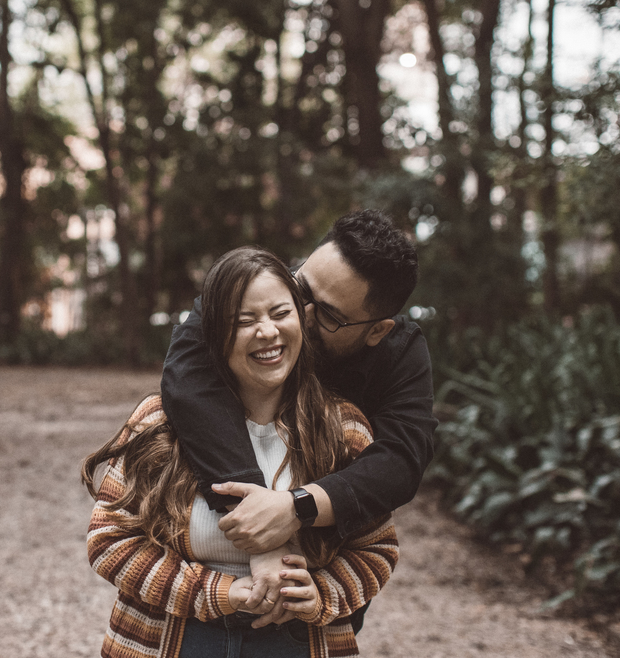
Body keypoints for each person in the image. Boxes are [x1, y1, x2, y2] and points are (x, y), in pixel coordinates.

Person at [83, 247, 398, 658]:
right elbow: (109, 539)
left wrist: (322, 593)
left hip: (297, 641)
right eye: (243, 321)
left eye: (279, 313)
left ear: (301, 320)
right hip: (172, 638)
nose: (266, 332)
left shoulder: (343, 429)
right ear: (213, 333)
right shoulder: (158, 422)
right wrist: (221, 593)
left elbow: (377, 547)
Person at [160, 210, 436, 624]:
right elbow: (186, 383)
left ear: (376, 331)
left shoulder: (398, 356)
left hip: (315, 593)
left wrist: (295, 508)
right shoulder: (248, 294)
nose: (297, 313)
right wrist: (259, 530)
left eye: (327, 315)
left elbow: (401, 461)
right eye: (300, 286)